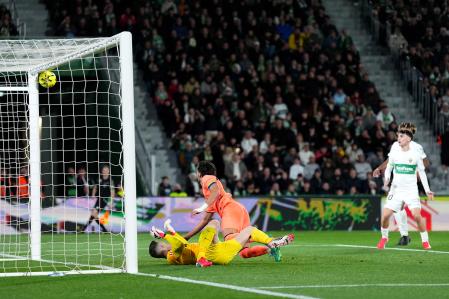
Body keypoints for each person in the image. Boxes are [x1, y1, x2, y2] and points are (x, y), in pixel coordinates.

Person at [184, 161, 276, 260]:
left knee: (229, 238)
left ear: (199, 172)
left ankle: (271, 240)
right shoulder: (210, 198)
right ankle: (271, 249)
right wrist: (187, 237)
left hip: (230, 209)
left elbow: (215, 191)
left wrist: (201, 208)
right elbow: (205, 221)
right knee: (244, 252)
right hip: (239, 210)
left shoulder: (206, 178)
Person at [377, 124, 434, 250]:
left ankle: (425, 241)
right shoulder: (395, 150)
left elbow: (423, 172)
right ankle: (384, 237)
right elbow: (389, 167)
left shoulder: (416, 152)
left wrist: (428, 191)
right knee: (385, 216)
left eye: (401, 136)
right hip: (396, 189)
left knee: (417, 216)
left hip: (411, 190)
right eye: (398, 136)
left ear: (409, 138)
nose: (398, 138)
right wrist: (386, 178)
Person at [149, 219, 294, 267]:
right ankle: (201, 259)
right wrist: (164, 235)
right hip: (210, 253)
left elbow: (181, 243)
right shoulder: (170, 256)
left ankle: (270, 243)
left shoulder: (172, 255)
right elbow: (179, 245)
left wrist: (172, 233)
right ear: (161, 246)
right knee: (213, 223)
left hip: (218, 252)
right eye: (162, 242)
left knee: (250, 229)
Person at [82, 165, 115, 232]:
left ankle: (84, 229)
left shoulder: (110, 181)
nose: (105, 171)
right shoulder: (99, 180)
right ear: (102, 171)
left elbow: (112, 192)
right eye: (104, 170)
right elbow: (95, 187)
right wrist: (93, 195)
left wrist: (111, 201)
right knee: (94, 214)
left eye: (107, 170)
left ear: (109, 171)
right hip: (99, 199)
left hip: (105, 200)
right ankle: (104, 230)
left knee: (94, 213)